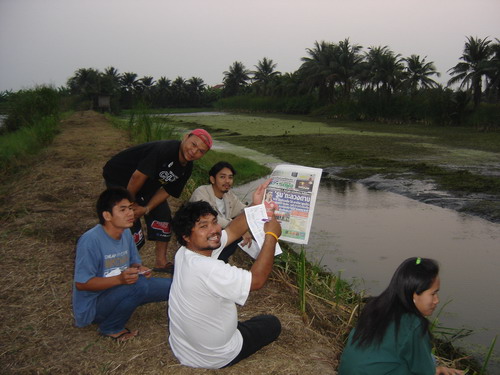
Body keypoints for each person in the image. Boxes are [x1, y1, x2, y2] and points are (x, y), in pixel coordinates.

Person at [168, 181, 282, 369]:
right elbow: (257, 280)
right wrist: (272, 236)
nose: (214, 230)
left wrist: (256, 207)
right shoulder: (209, 269)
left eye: (214, 222)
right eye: (203, 226)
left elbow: (231, 231)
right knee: (271, 323)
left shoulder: (185, 252)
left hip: (184, 348)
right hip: (215, 356)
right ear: (186, 236)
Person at [102, 128, 212, 273]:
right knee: (128, 221)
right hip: (121, 176)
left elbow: (167, 190)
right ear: (186, 137)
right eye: (193, 144)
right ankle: (120, 263)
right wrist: (131, 204)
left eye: (200, 151)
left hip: (147, 183)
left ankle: (161, 262)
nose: (194, 151)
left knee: (163, 217)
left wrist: (146, 208)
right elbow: (137, 177)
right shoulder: (165, 150)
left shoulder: (187, 167)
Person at [72, 187, 172, 342]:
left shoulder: (125, 232)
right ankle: (111, 327)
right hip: (95, 306)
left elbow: (134, 262)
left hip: (123, 288)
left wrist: (140, 269)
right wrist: (120, 280)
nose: (130, 213)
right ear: (107, 215)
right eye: (123, 209)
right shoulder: (90, 240)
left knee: (174, 286)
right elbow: (82, 283)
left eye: (131, 208)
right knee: (139, 286)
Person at [338, 257, 464, 375]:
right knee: (429, 358)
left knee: (429, 358)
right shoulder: (414, 324)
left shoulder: (376, 307)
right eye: (433, 294)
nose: (437, 300)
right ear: (414, 294)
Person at [189, 161, 252, 263]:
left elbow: (243, 210)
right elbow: (210, 218)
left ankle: (219, 260)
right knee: (237, 234)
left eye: (230, 177)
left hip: (215, 235)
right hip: (199, 237)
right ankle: (216, 261)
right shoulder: (201, 192)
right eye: (222, 177)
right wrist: (239, 228)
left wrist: (262, 206)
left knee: (240, 223)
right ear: (212, 179)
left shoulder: (228, 195)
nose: (227, 181)